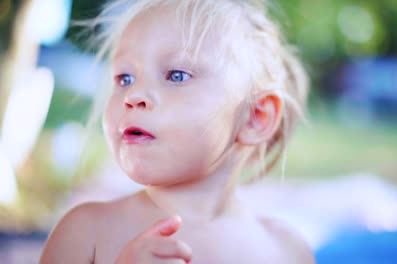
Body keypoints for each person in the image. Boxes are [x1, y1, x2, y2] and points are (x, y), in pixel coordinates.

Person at [40, 0, 313, 263]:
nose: (133, 94)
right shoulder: (85, 234)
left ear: (255, 117)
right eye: (125, 78)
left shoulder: (286, 252)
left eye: (177, 75)